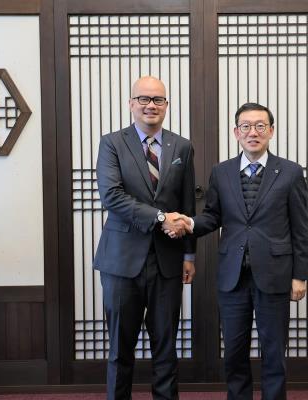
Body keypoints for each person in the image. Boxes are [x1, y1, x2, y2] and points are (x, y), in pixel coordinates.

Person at [167, 102, 308, 400]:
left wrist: (300, 276)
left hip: (274, 276)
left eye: (260, 126)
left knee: (273, 354)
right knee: (233, 353)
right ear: (236, 132)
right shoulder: (221, 172)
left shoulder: (291, 173)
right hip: (232, 278)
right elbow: (213, 216)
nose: (252, 132)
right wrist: (189, 222)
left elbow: (300, 230)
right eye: (246, 126)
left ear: (271, 131)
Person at [94, 76, 196, 400]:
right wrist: (161, 217)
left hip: (167, 261)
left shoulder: (182, 146)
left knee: (166, 349)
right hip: (121, 261)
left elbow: (188, 205)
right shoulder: (112, 143)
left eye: (158, 100)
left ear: (166, 106)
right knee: (120, 350)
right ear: (131, 104)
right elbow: (112, 197)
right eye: (143, 99)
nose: (151, 105)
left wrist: (189, 255)